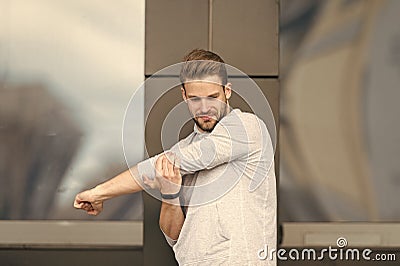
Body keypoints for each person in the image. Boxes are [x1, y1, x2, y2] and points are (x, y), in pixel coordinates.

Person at [74, 49, 277, 265]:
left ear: (227, 91)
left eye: (213, 97)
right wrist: (170, 195)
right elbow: (174, 236)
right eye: (195, 99)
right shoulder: (184, 148)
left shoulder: (246, 127)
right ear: (183, 95)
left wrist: (99, 193)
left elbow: (160, 165)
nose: (204, 107)